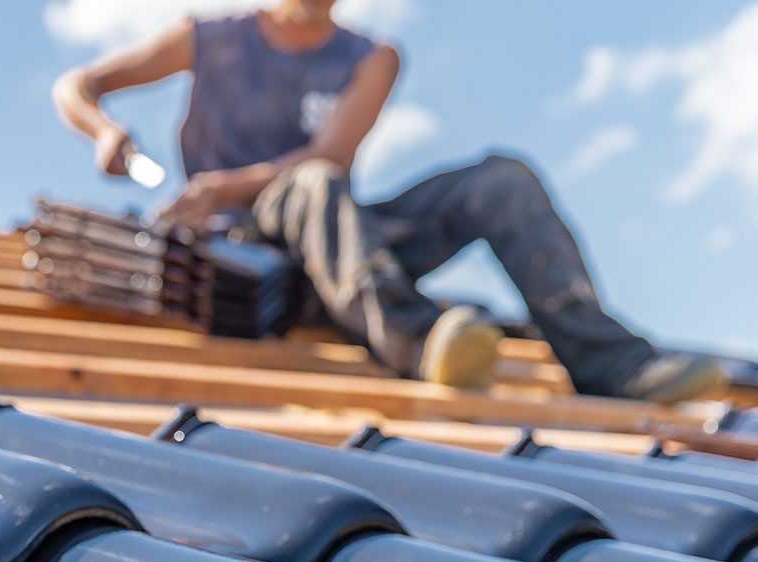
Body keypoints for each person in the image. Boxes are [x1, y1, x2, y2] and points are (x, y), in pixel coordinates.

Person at [51, 0, 728, 402]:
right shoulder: (210, 38)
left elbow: (329, 159)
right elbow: (76, 86)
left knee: (501, 179)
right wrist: (105, 130)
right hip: (249, 264)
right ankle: (420, 342)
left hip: (343, 247)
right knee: (312, 189)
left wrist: (221, 184)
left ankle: (613, 362)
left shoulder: (371, 56)